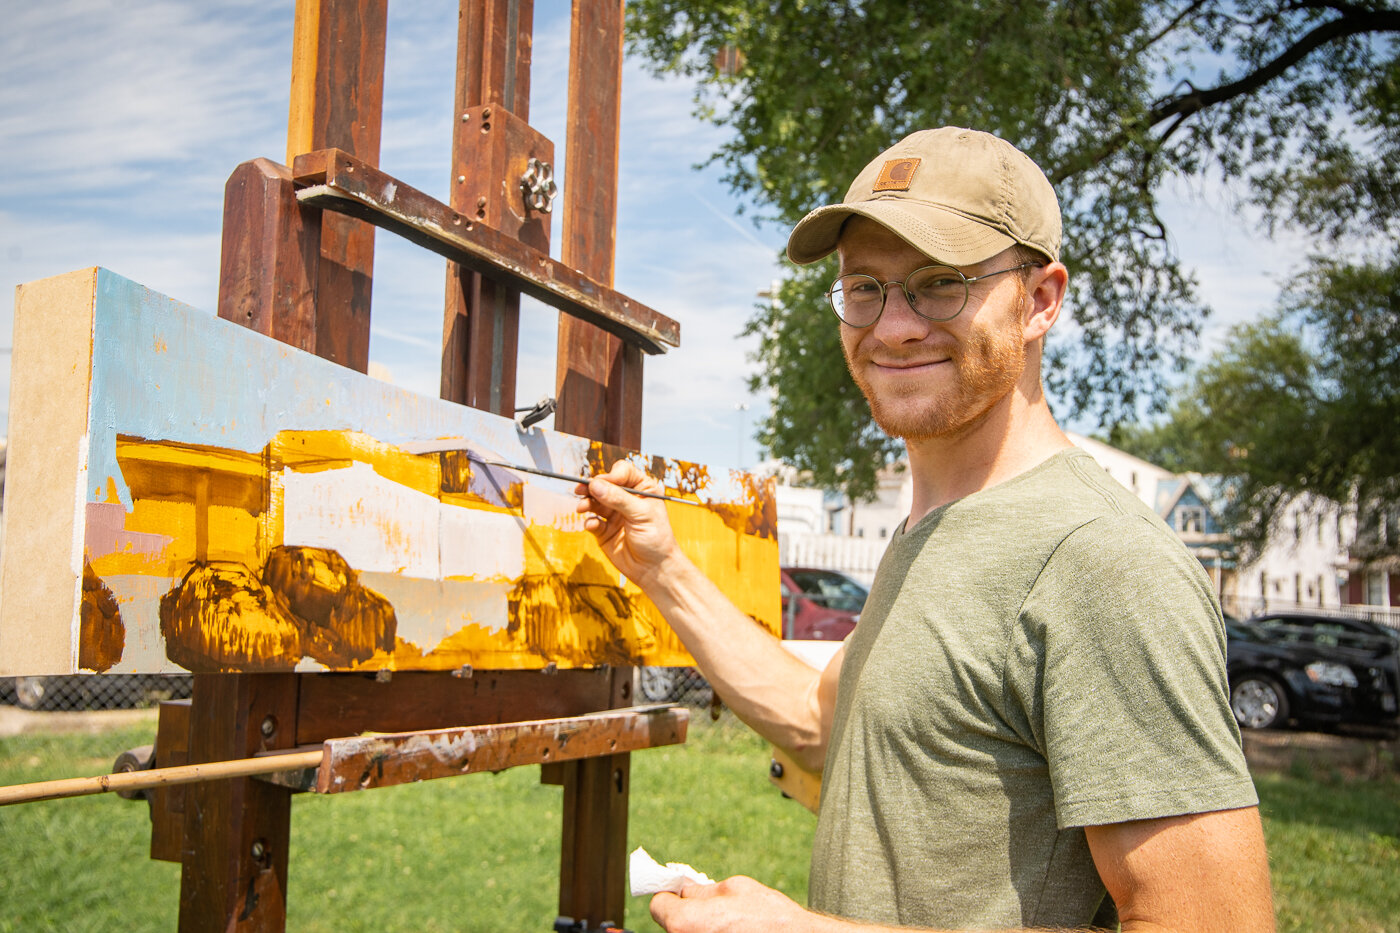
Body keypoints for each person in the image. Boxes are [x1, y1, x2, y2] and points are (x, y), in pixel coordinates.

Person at [576, 127, 1275, 932]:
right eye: (864, 287)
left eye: (940, 283)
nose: (894, 325)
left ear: (1040, 299)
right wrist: (660, 564)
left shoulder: (1100, 560)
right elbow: (818, 719)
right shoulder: (932, 530)